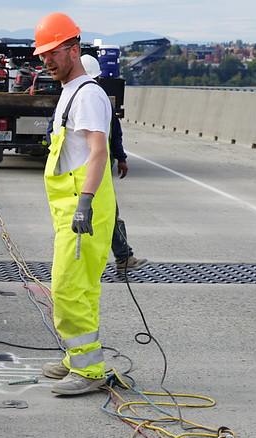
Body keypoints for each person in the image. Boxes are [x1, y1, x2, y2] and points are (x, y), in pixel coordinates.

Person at [34, 13, 116, 396]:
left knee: (67, 286)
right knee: (82, 288)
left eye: (54, 52)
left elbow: (98, 153)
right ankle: (78, 357)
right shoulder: (71, 91)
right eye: (43, 55)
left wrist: (84, 202)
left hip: (83, 208)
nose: (47, 61)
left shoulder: (87, 95)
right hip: (71, 207)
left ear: (74, 49)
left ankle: (89, 370)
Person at [80, 54, 148, 273]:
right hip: (95, 171)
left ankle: (119, 256)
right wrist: (121, 158)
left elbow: (114, 134)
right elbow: (115, 135)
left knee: (101, 214)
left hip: (83, 172)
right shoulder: (98, 100)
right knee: (108, 214)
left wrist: (121, 157)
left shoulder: (73, 99)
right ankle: (122, 257)